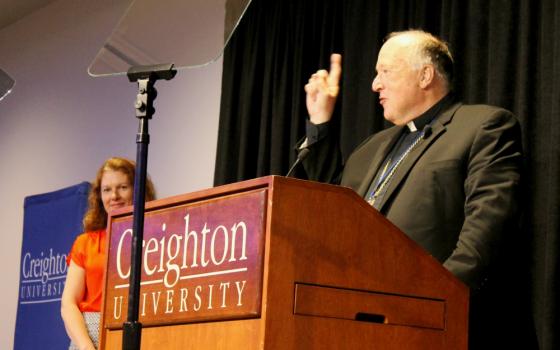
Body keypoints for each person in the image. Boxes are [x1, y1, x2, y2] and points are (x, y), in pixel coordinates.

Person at [301, 30, 523, 347]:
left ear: (425, 75)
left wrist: (436, 302)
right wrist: (320, 121)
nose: (375, 84)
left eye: (385, 72)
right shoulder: (369, 149)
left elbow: (487, 227)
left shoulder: (483, 126)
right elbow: (337, 213)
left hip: (443, 326)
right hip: (363, 325)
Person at [61, 157, 156, 350]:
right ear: (99, 196)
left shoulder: (155, 240)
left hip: (138, 335)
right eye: (107, 189)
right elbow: (69, 303)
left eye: (122, 187)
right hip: (89, 338)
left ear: (138, 191)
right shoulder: (85, 243)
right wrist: (86, 346)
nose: (114, 196)